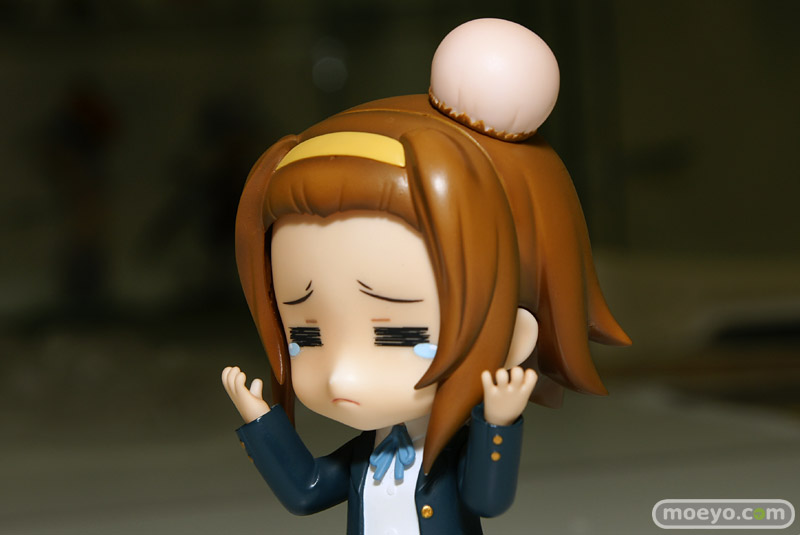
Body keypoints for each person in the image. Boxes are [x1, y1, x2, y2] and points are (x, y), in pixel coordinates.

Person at [222, 18, 630, 535]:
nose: (340, 375)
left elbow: (486, 498)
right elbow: (305, 491)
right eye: (306, 335)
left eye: (396, 334)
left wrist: (497, 423)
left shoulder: (448, 457)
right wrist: (262, 421)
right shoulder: (363, 455)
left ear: (512, 337)